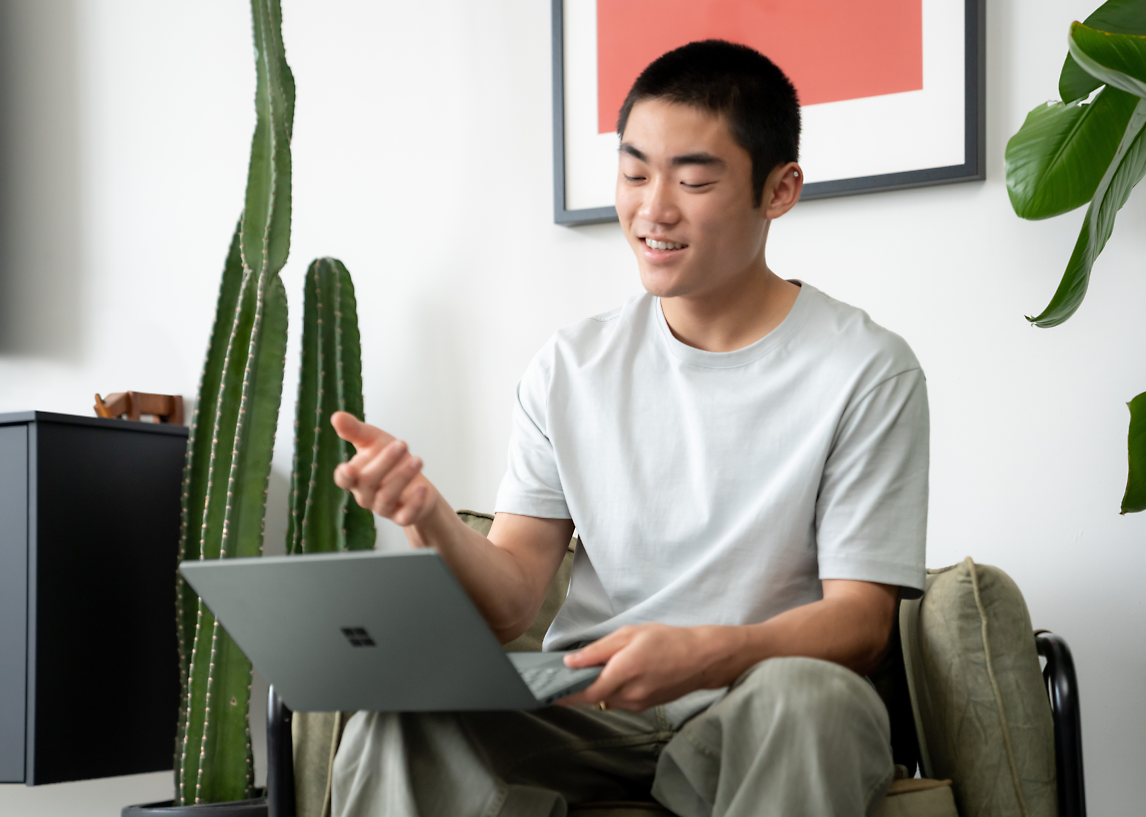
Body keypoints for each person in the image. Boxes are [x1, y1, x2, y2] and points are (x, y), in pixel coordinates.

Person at [327, 40, 929, 817]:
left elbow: (863, 623)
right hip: (591, 709)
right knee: (396, 710)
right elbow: (513, 603)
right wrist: (429, 516)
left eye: (696, 178)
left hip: (757, 702)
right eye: (635, 173)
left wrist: (705, 651)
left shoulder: (867, 369)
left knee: (813, 697)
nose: (654, 209)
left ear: (780, 191)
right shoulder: (570, 367)